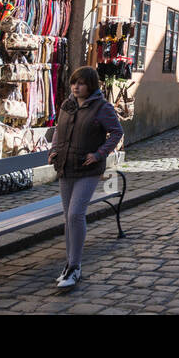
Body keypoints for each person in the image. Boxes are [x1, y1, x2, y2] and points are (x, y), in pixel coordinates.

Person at [48, 66, 124, 289]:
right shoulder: (67, 104)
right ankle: (69, 264)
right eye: (74, 83)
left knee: (75, 214)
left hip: (88, 168)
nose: (75, 87)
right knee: (67, 217)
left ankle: (75, 266)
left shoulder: (102, 107)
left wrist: (100, 153)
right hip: (66, 166)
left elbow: (117, 132)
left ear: (90, 85)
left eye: (80, 83)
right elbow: (57, 130)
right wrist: (53, 150)